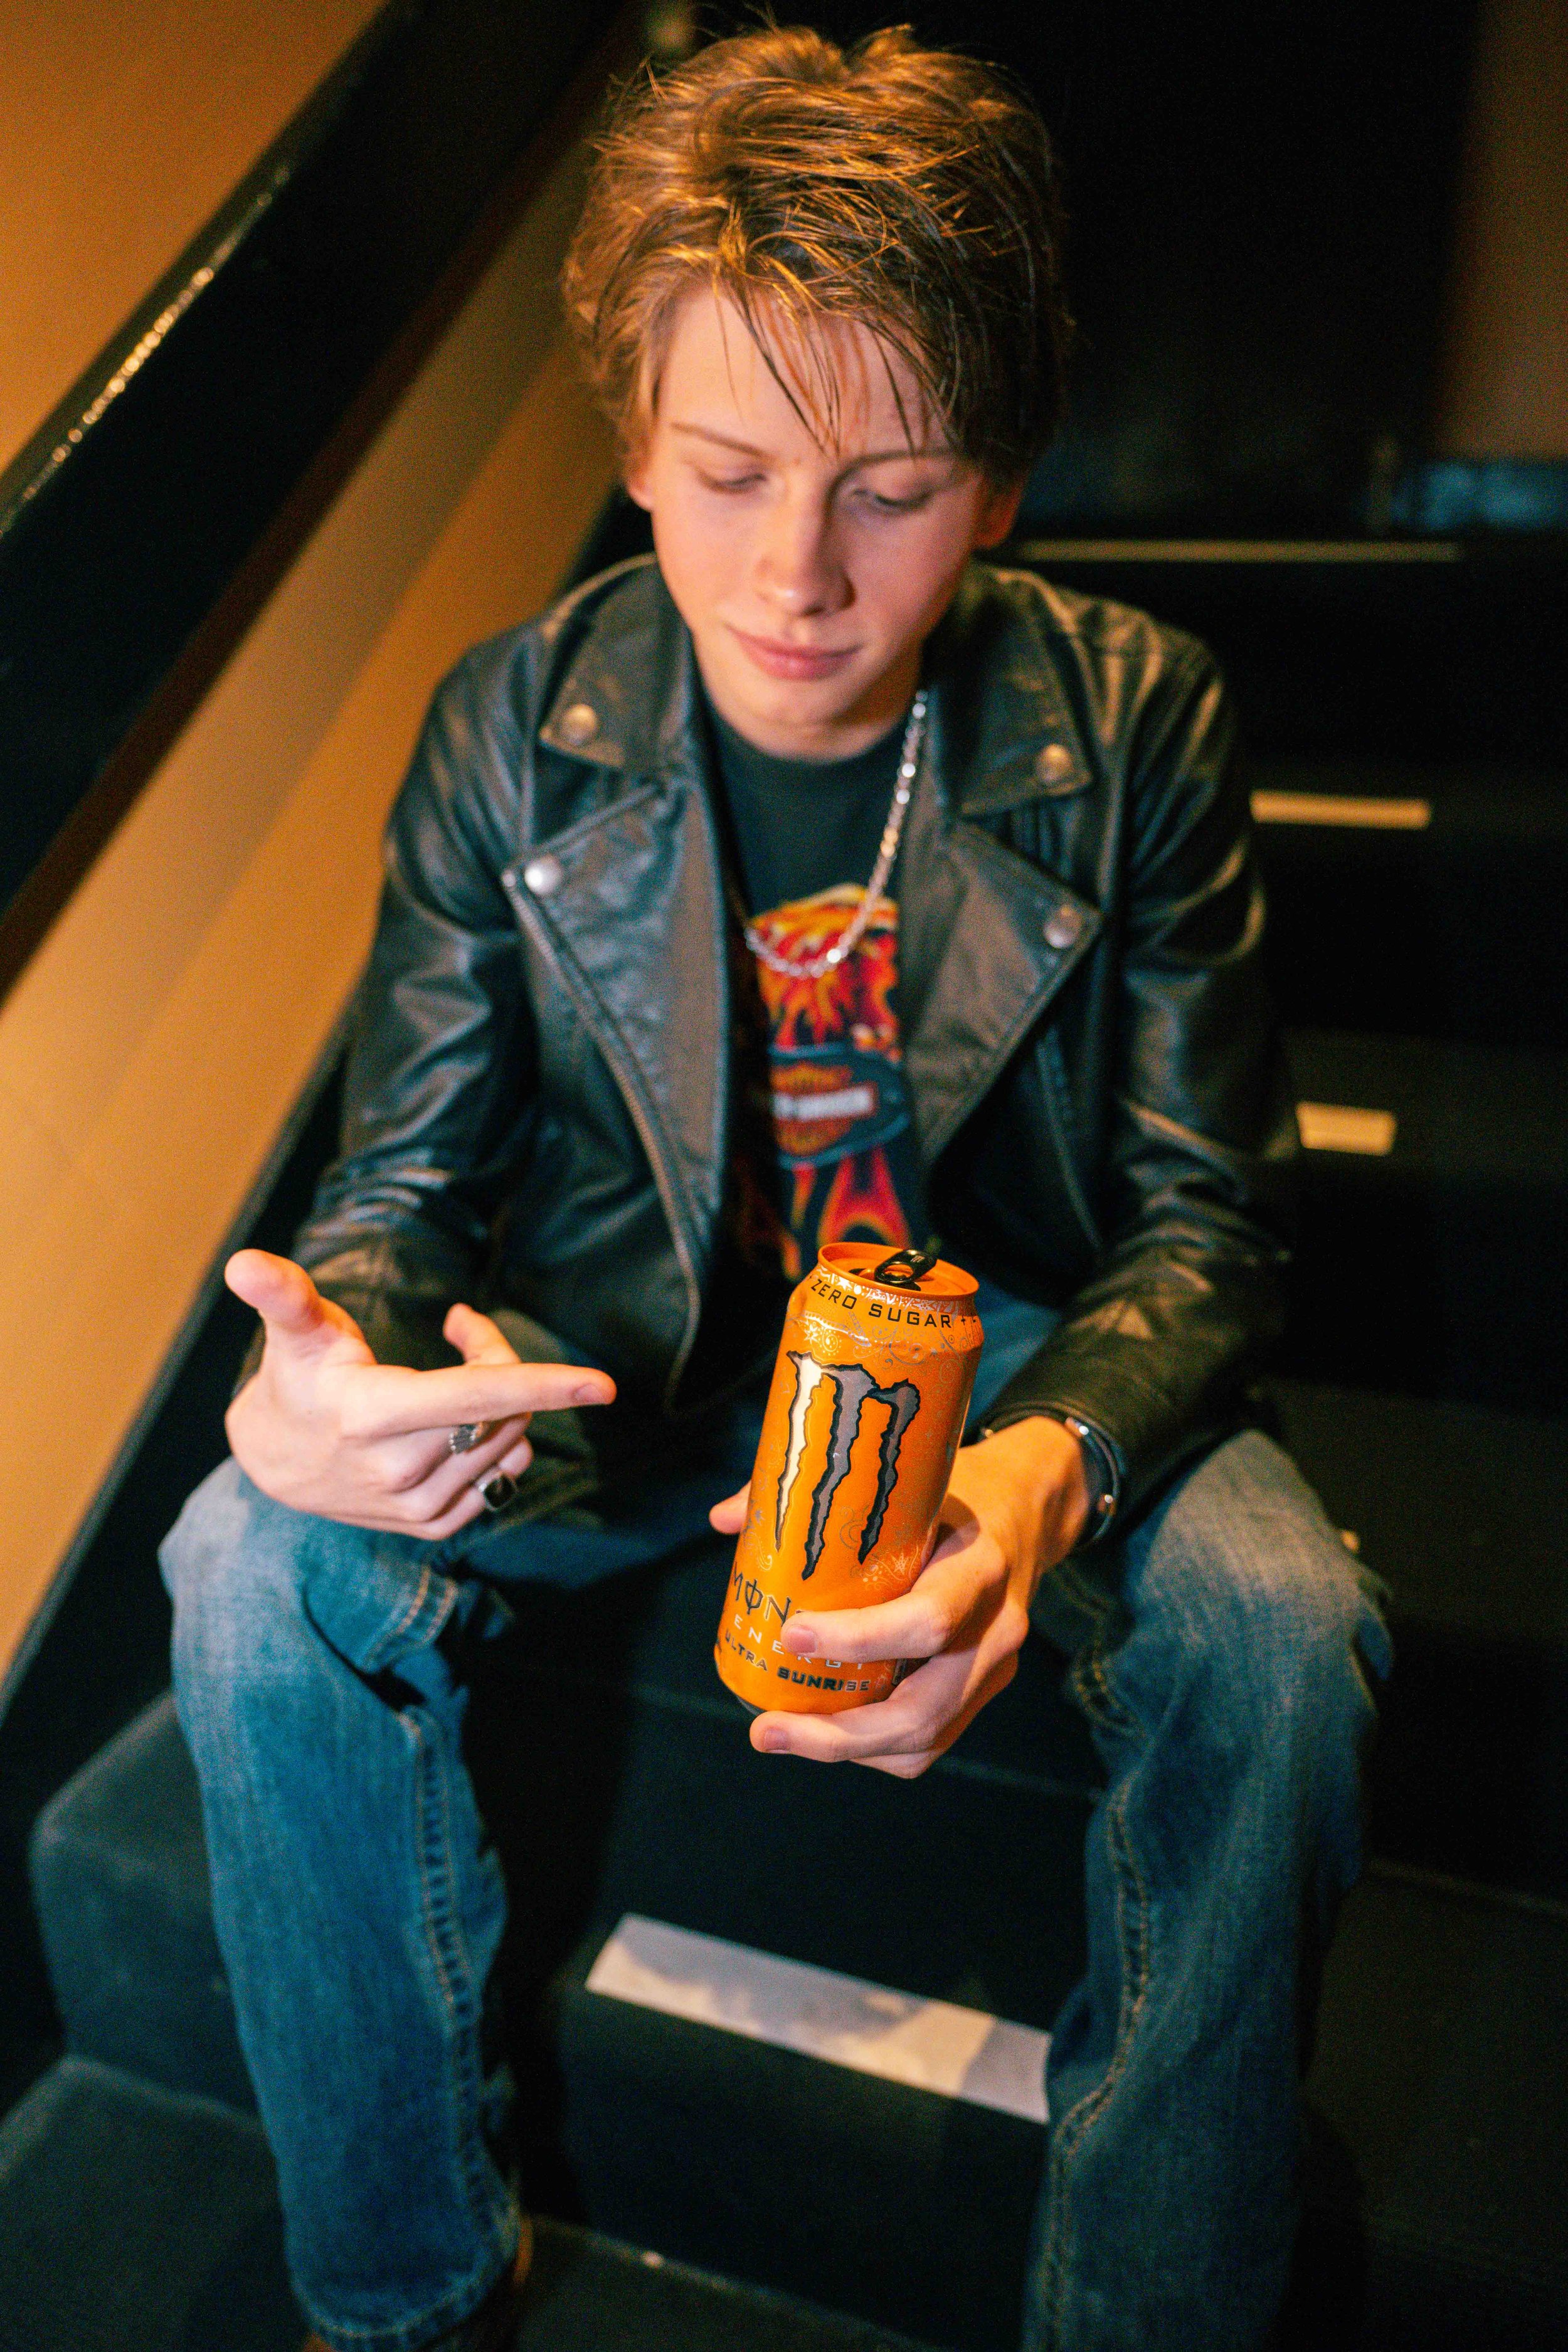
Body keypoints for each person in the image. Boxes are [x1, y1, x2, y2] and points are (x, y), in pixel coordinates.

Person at [161, 25, 1389, 2352]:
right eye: (724, 473)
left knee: (1279, 1630)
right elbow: (403, 1180)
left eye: (889, 487)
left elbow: (1210, 1230)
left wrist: (1035, 1477)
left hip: (1007, 1349)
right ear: (633, 446)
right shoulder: (510, 721)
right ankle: (400, 2297)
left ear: (1000, 486)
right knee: (241, 1559)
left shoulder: (1135, 717)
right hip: (614, 1345)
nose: (795, 572)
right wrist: (332, 1364)